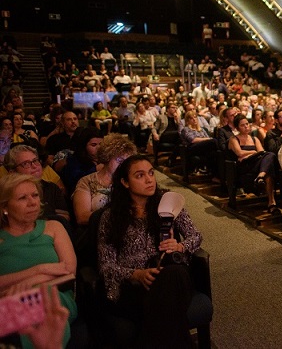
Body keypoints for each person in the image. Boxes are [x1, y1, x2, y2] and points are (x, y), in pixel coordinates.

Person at [98, 156, 202, 348]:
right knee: (171, 297)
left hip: (167, 273)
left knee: (174, 274)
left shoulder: (168, 203)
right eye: (140, 175)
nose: (149, 180)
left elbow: (195, 236)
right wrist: (136, 274)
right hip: (133, 287)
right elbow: (106, 265)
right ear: (125, 182)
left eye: (151, 173)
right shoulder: (111, 217)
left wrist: (180, 246)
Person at [0, 173, 78, 348]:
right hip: (8, 302)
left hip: (56, 295)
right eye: (22, 198)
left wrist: (26, 286)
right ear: (5, 206)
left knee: (42, 297)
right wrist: (39, 269)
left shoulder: (53, 227)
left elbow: (68, 270)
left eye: (35, 195)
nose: (32, 202)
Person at [72, 134, 136, 226]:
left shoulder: (129, 181)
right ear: (107, 157)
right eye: (119, 161)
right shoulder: (87, 181)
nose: (123, 166)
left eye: (127, 162)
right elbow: (82, 217)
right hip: (96, 230)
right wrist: (115, 217)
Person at [5, 145, 69, 224]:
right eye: (26, 163)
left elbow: (65, 217)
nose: (34, 166)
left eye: (35, 160)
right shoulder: (6, 193)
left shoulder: (52, 188)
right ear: (12, 172)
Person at [228, 115, 279, 214]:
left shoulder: (254, 138)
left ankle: (271, 202)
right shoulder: (234, 139)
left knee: (270, 157)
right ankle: (271, 201)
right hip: (244, 166)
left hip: (256, 164)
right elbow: (239, 153)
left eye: (247, 124)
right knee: (269, 160)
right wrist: (253, 152)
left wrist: (252, 153)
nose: (246, 126)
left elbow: (261, 152)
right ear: (237, 128)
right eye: (242, 125)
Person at [61, 126, 103, 196]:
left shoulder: (105, 159)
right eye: (93, 145)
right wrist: (95, 169)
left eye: (101, 144)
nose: (99, 148)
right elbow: (76, 181)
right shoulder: (73, 161)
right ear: (84, 146)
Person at [181, 110, 218, 175]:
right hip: (192, 148)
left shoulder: (201, 129)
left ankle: (214, 174)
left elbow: (207, 138)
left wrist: (208, 139)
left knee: (215, 153)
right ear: (187, 120)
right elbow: (193, 140)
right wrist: (208, 139)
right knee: (213, 141)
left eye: (195, 117)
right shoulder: (186, 129)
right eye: (191, 118)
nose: (194, 119)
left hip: (202, 148)